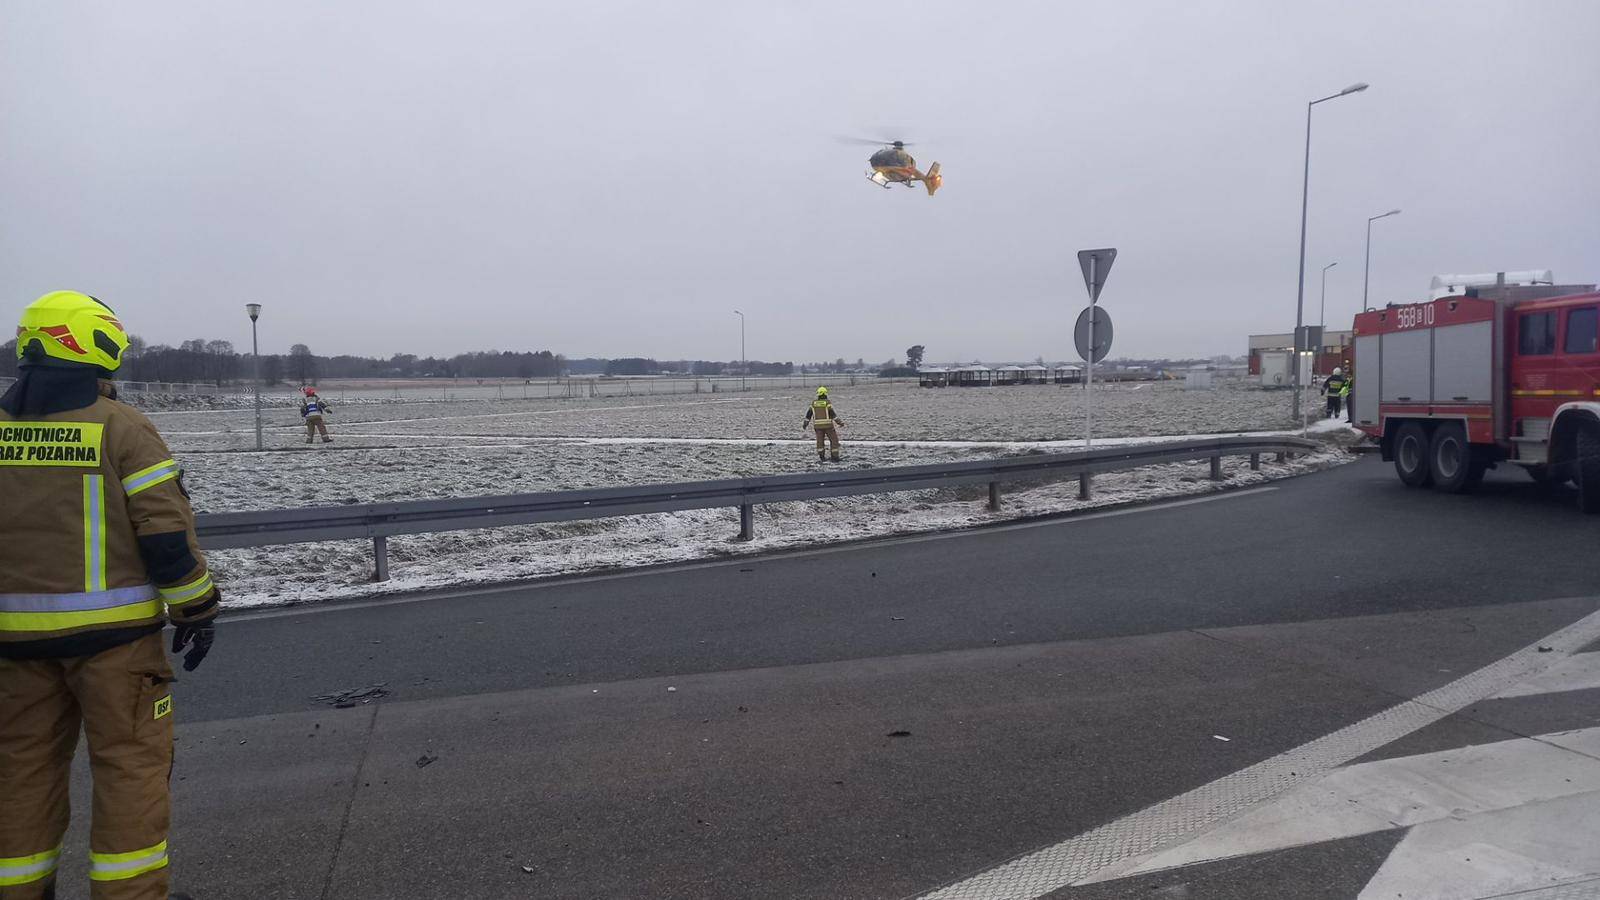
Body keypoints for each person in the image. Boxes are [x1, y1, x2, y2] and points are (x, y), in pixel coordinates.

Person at [0, 290, 220, 900]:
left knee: (19, 776)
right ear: (94, 345)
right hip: (116, 648)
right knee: (130, 772)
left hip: (14, 648)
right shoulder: (120, 426)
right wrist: (197, 606)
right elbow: (165, 533)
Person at [803, 386, 844, 462]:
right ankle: (835, 457)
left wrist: (805, 424)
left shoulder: (813, 404)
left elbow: (808, 415)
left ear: (818, 394)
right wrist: (840, 423)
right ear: (825, 394)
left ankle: (822, 457)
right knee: (834, 441)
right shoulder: (827, 403)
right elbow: (833, 414)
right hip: (828, 426)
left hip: (818, 427)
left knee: (820, 442)